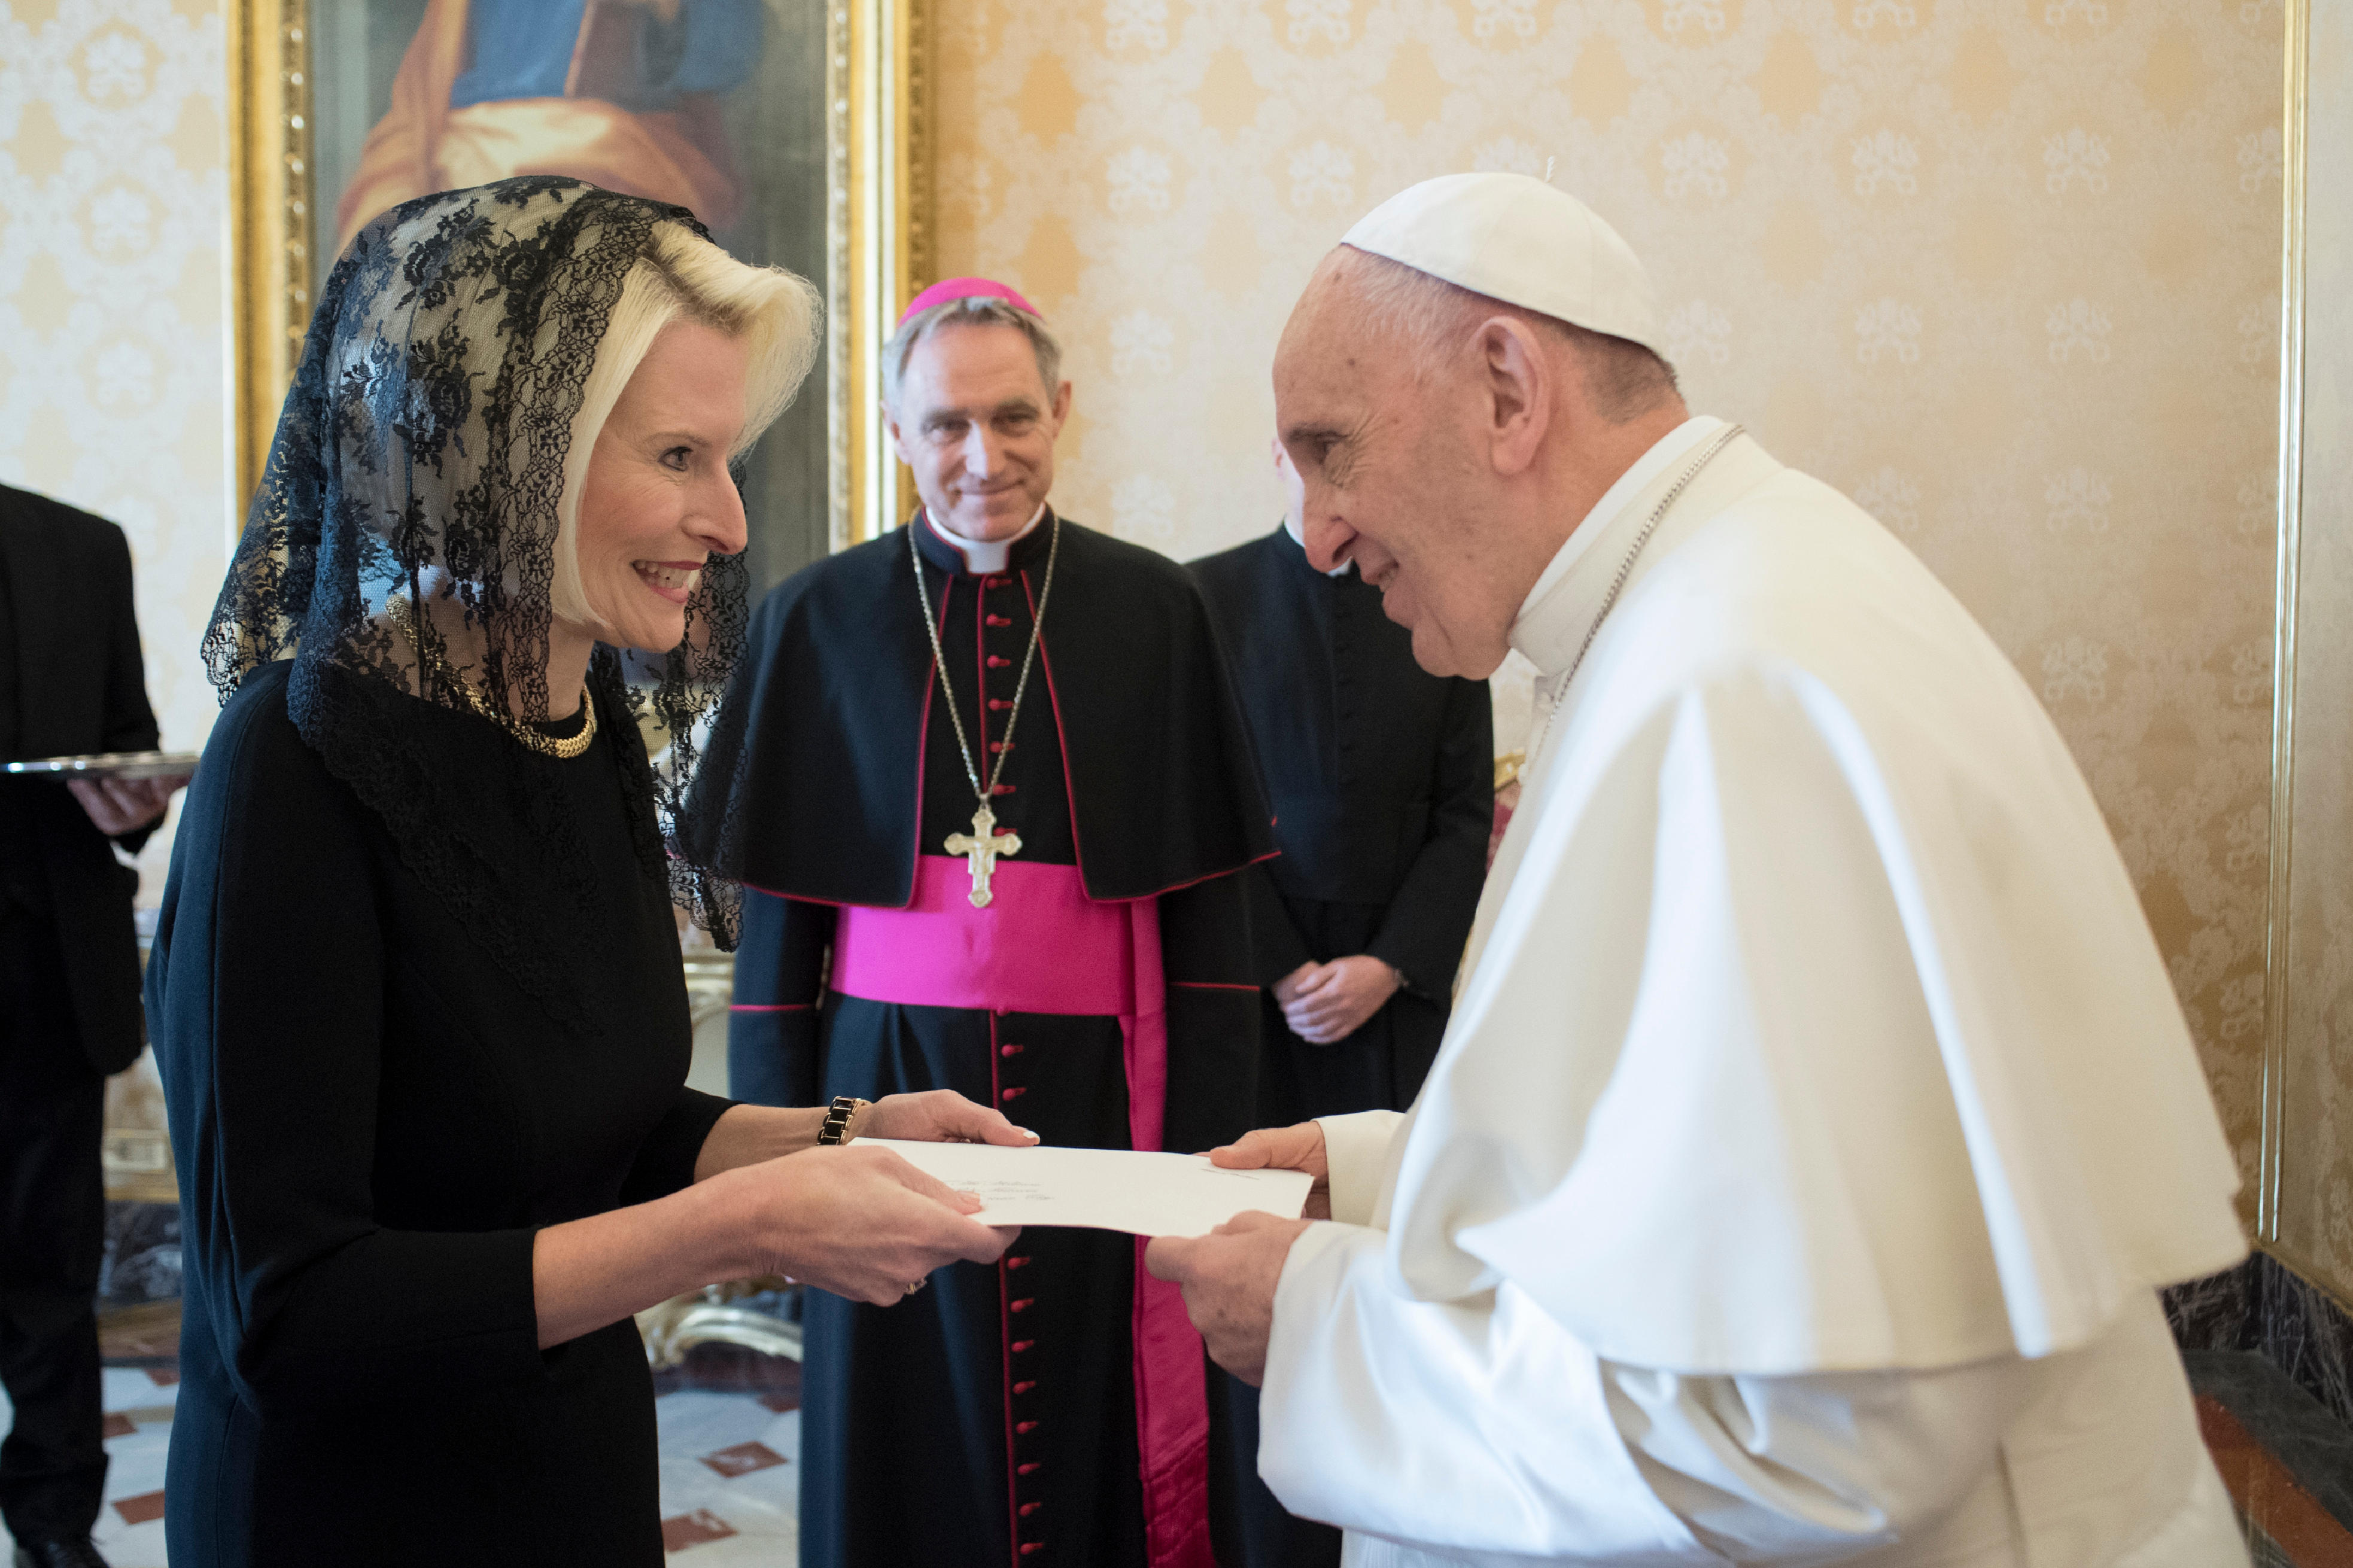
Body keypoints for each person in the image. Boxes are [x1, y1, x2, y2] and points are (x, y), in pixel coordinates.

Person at [1147, 172, 2250, 1566]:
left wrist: (1319, 1319)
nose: (1315, 534)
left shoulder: (1734, 683)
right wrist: (1373, 1174)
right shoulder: (1701, 603)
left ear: (1505, 390)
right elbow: (1681, 1148)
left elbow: (1807, 1432)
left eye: (1332, 449)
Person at [148, 179, 1027, 1568]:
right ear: (503, 457)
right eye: (678, 455)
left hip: (570, 1468)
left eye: (725, 460)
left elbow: (585, 1122)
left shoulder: (579, 720)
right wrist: (732, 1225)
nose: (729, 522)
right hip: (359, 1514)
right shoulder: (293, 766)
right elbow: (291, 1314)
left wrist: (840, 1135)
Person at [685, 277, 1275, 1568]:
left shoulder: (1154, 609)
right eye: (946, 423)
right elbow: (782, 944)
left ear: (1060, 409)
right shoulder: (817, 618)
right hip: (882, 1084)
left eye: (1012, 417)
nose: (982, 455)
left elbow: (1208, 924)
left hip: (1104, 1093)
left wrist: (1204, 1156)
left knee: (1092, 1419)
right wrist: (782, 1158)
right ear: (897, 429)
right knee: (897, 1419)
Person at [1188, 446, 1490, 1567]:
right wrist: (1276, 965)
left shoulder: (1439, 588)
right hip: (1251, 1003)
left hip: (1395, 1000)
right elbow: (1195, 809)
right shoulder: (1200, 598)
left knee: (1397, 1262)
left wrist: (1390, 964)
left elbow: (1465, 813)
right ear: (1273, 458)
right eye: (1305, 458)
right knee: (1256, 1273)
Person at [0, 486, 184, 1568]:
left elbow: (127, 746)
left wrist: (139, 799)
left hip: (47, 972)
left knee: (51, 1267)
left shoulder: (84, 548)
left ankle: (54, 1522)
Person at [334, 0, 758, 253]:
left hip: (616, 139)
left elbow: (720, 59)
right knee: (385, 217)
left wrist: (668, 10)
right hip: (469, 136)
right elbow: (432, 73)